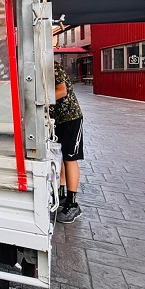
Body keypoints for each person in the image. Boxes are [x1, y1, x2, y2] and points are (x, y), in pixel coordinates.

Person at [52, 61, 83, 223]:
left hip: (70, 118)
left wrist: (39, 100)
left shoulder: (51, 65)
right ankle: (62, 195)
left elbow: (61, 91)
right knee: (61, 157)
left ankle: (73, 204)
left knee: (70, 159)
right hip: (57, 119)